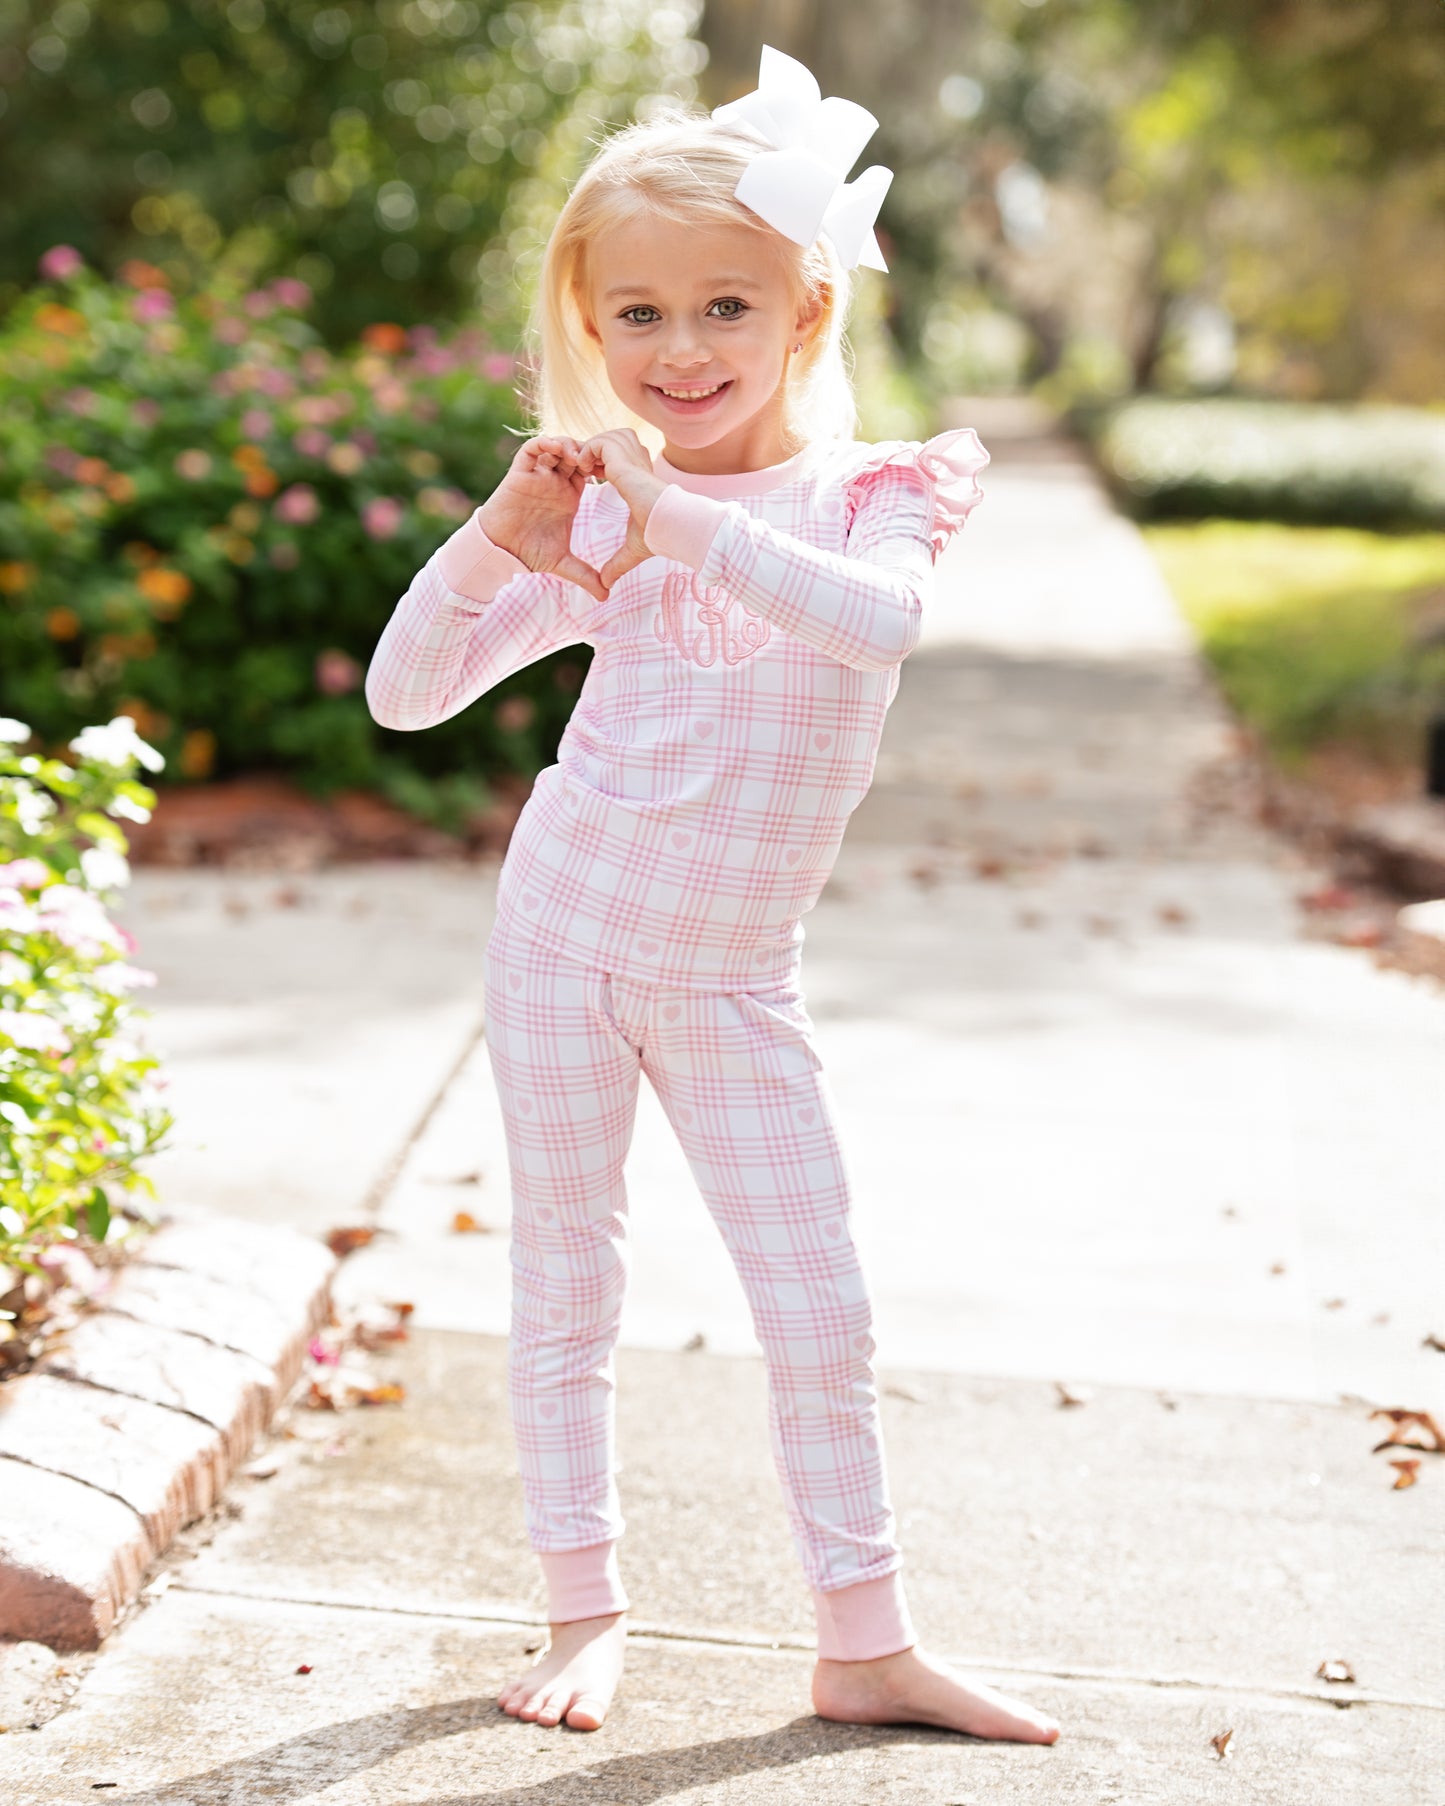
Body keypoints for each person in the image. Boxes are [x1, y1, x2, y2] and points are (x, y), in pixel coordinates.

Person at [365, 45, 1060, 1748]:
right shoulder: (603, 518)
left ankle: (866, 1637)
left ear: (808, 314)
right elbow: (404, 694)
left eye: (725, 308)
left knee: (815, 1294)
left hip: (736, 973)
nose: (679, 353)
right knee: (568, 1276)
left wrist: (679, 519)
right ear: (591, 330)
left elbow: (873, 627)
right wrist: (496, 536)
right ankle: (584, 1604)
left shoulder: (879, 496)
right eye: (638, 319)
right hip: (565, 933)